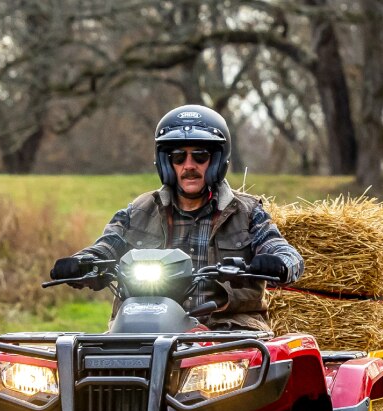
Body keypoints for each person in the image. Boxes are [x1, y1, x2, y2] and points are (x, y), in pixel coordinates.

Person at [49, 104, 303, 332]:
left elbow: (285, 252)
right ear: (165, 163)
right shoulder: (139, 210)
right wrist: (81, 262)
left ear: (217, 161)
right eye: (178, 157)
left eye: (200, 156)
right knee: (88, 369)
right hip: (145, 329)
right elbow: (106, 246)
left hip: (226, 331)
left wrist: (277, 263)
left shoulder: (246, 212)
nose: (188, 165)